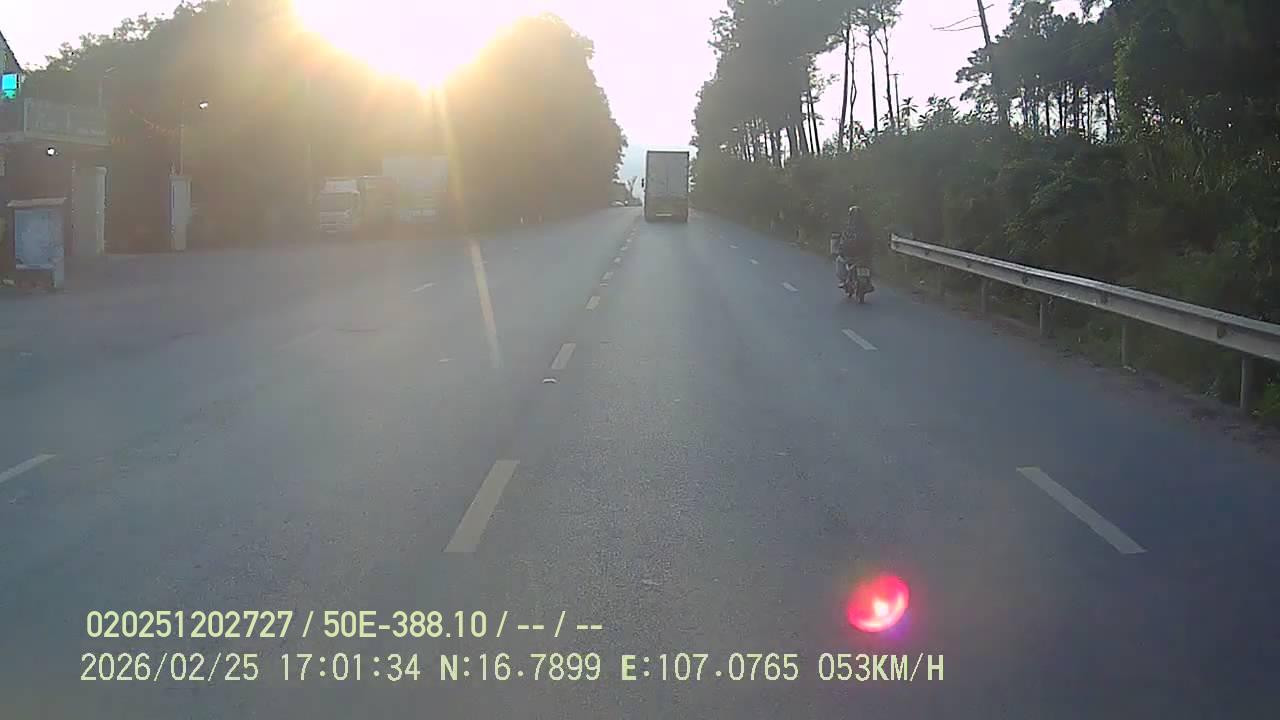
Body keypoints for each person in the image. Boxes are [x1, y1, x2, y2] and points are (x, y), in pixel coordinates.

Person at [836, 205, 874, 291]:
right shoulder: (866, 226)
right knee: (869, 263)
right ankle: (868, 282)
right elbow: (871, 239)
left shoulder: (847, 226)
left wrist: (841, 249)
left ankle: (843, 280)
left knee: (839, 260)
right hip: (863, 255)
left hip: (849, 254)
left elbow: (842, 240)